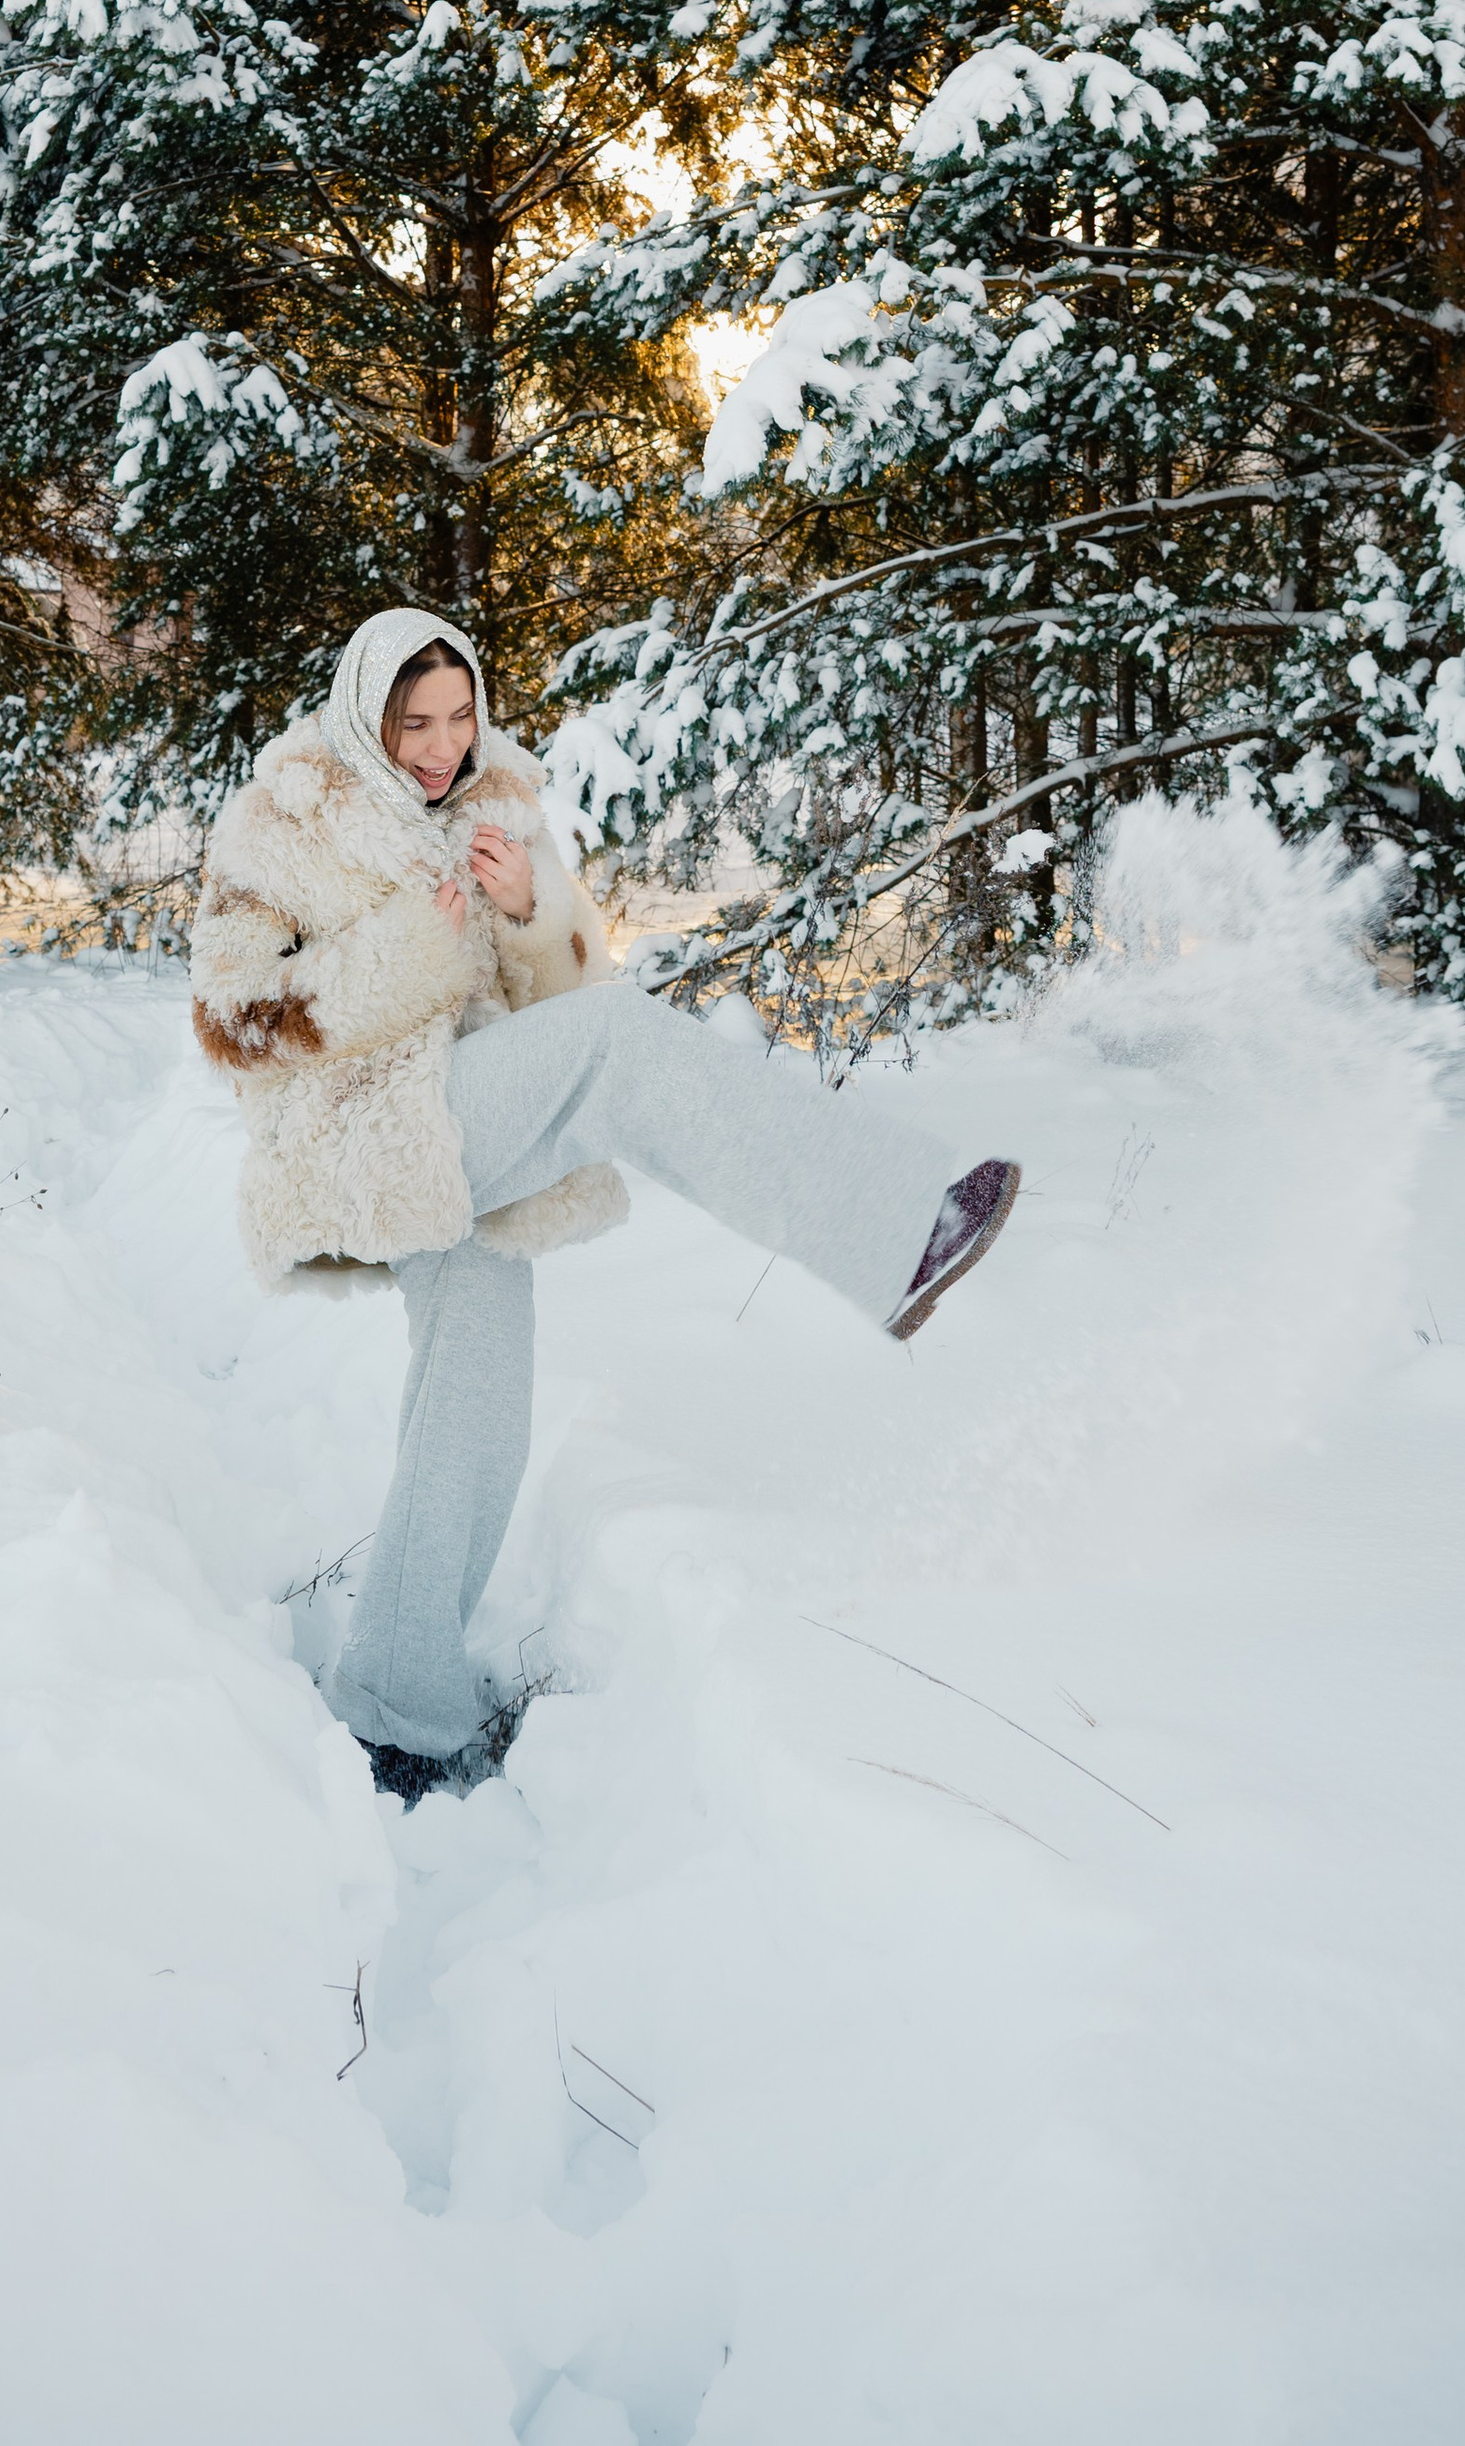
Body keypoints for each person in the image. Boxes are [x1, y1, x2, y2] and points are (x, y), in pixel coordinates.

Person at [190, 604, 1020, 1802]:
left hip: (471, 1132)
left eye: (459, 711)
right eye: (412, 721)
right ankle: (902, 1233)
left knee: (475, 1415)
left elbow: (566, 988)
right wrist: (402, 953)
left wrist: (530, 909)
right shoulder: (290, 816)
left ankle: (397, 1711)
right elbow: (230, 1018)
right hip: (361, 1140)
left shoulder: (496, 803)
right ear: (363, 717)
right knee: (621, 1053)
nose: (440, 743)